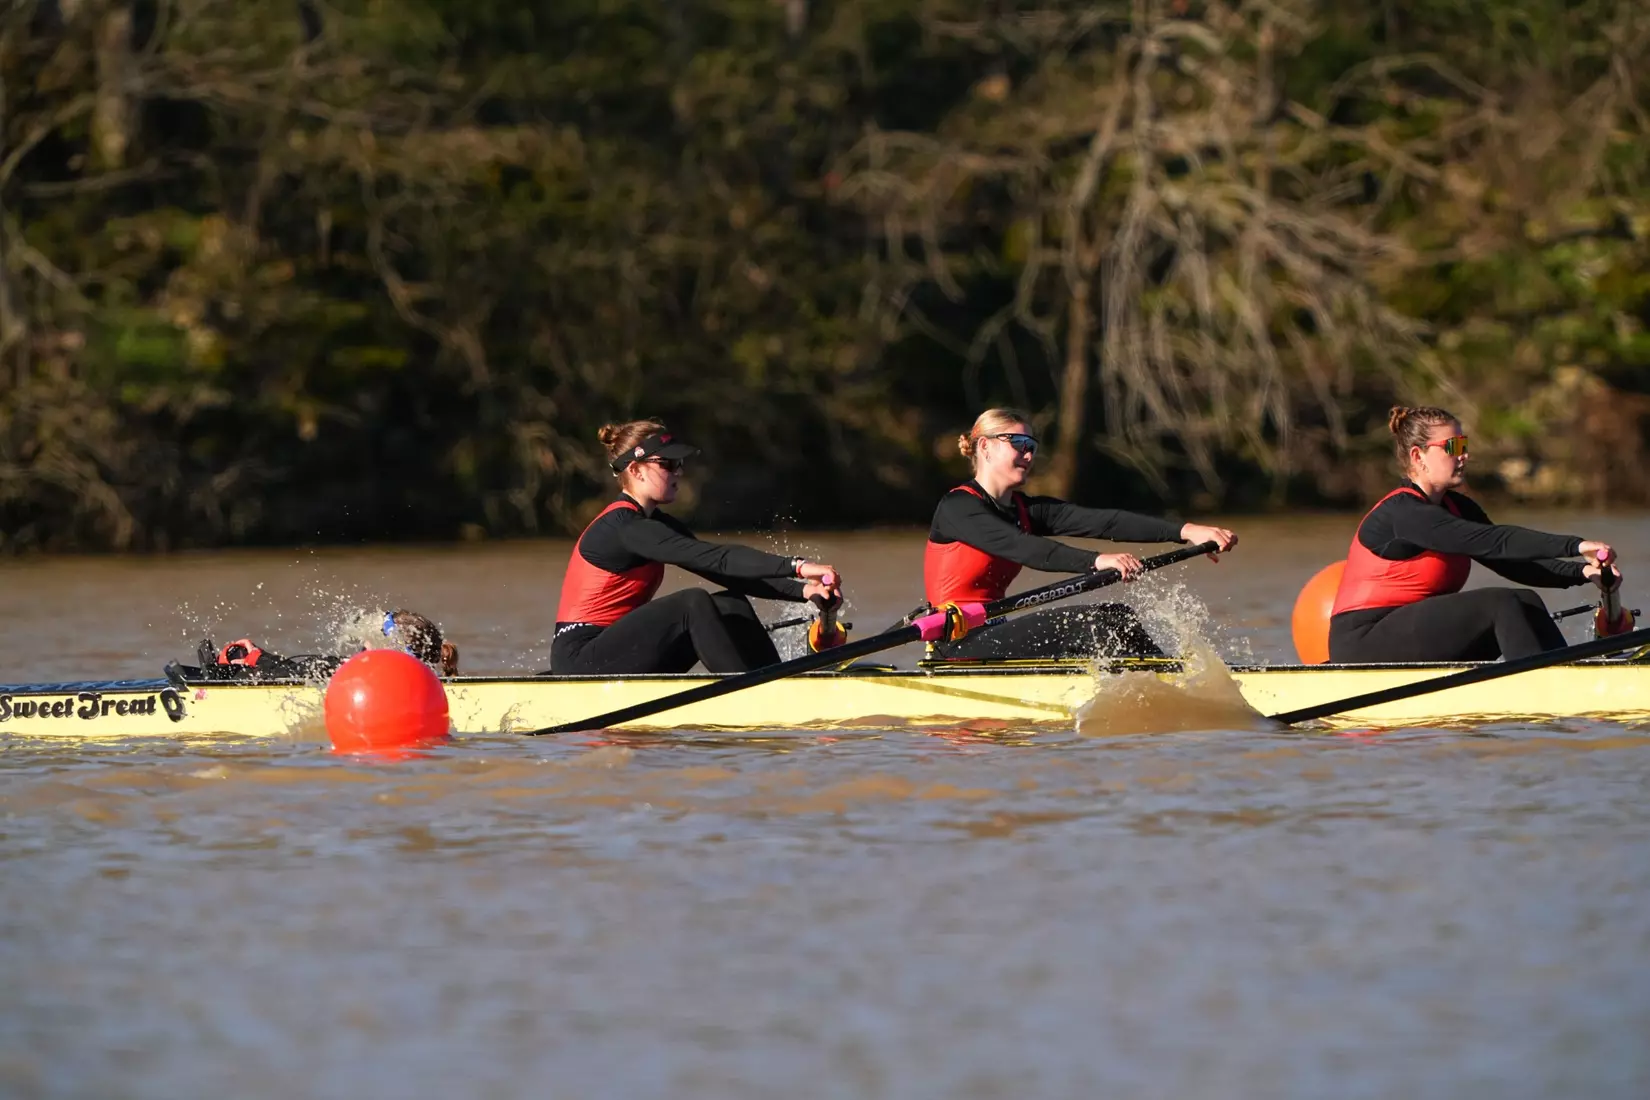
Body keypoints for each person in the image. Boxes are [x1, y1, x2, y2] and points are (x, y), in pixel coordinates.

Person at [922, 408, 1237, 661]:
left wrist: (1187, 530)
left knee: (1118, 616)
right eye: (1018, 444)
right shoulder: (958, 507)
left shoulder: (1025, 510)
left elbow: (1105, 523)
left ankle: (1166, 678)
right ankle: (1170, 687)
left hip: (993, 631)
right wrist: (1097, 561)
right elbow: (1024, 549)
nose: (1029, 455)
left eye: (1032, 447)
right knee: (1098, 623)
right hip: (958, 642)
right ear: (985, 446)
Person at [1328, 405, 1620, 662]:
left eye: (1464, 445)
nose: (1464, 455)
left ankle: (1566, 676)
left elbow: (1510, 561)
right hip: (1363, 641)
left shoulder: (1458, 507)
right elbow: (1497, 541)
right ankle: (1550, 689)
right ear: (1418, 456)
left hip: (1412, 632)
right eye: (1453, 446)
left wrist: (1582, 573)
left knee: (1526, 601)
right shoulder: (1403, 513)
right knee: (1501, 604)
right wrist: (1575, 545)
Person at [550, 419, 843, 675]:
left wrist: (804, 591)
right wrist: (799, 566)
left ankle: (774, 681)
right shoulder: (624, 527)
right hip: (581, 658)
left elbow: (723, 570)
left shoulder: (656, 524)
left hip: (618, 650)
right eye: (667, 464)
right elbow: (719, 558)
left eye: (680, 464)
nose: (678, 472)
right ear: (636, 470)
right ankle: (746, 693)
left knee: (731, 603)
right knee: (693, 603)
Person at [194, 608, 459, 680]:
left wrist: (256, 660)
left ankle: (230, 670)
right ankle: (234, 666)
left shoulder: (383, 673)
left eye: (376, 635)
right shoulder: (402, 673)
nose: (366, 640)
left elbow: (294, 674)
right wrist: (260, 656)